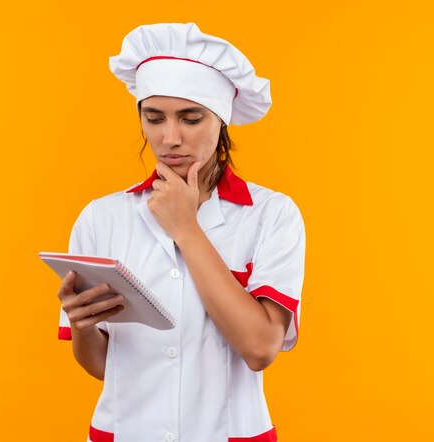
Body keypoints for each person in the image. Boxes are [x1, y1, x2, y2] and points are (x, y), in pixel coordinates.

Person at [57, 23, 305, 442]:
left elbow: (260, 348)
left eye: (191, 118)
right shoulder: (101, 218)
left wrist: (187, 230)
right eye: (154, 119)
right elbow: (103, 367)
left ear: (221, 121)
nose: (170, 139)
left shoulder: (271, 214)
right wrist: (82, 327)